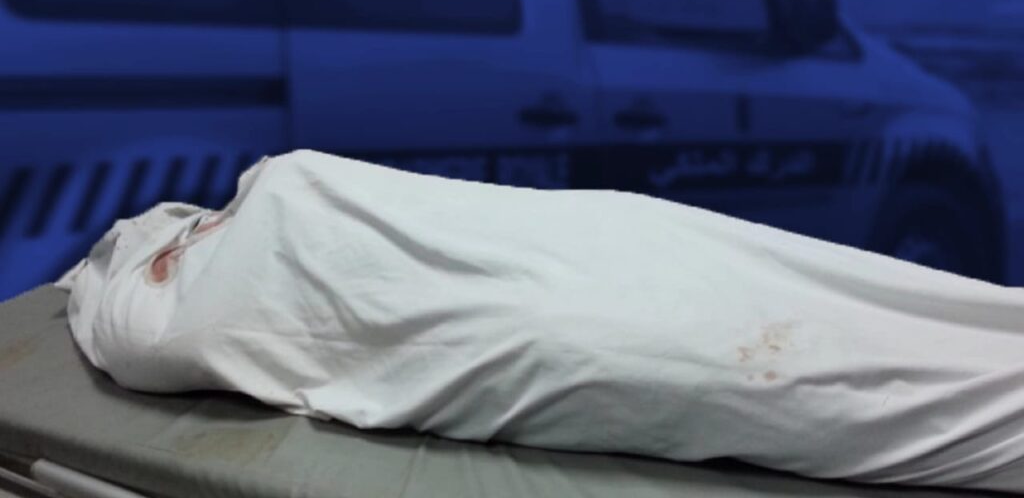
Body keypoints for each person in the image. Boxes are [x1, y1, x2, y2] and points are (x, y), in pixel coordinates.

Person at [59, 149, 1024, 493]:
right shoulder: (170, 323)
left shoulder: (277, 187)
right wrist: (141, 258)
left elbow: (130, 280)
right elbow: (130, 318)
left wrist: (160, 242)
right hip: (564, 325)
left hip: (606, 246)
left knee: (813, 288)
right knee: (789, 366)